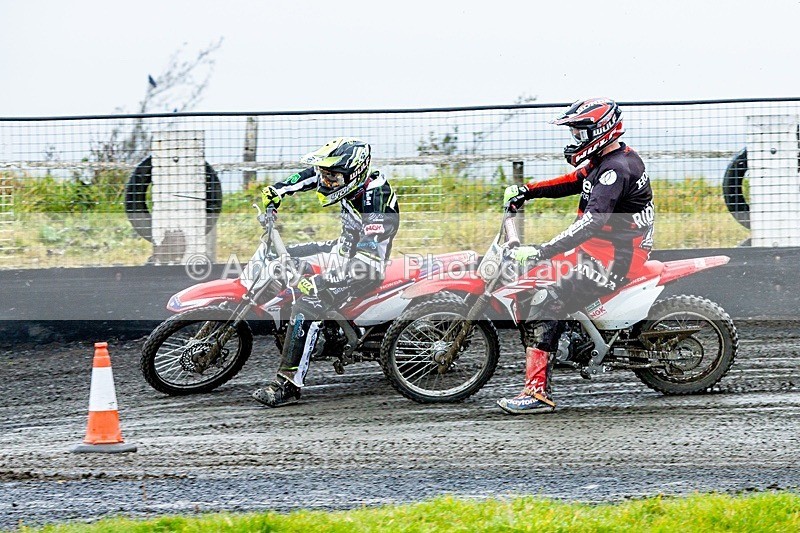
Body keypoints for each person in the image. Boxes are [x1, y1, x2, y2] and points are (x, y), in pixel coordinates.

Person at [496, 98, 655, 414]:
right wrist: (527, 190)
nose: (575, 141)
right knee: (537, 279)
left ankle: (538, 393)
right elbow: (572, 182)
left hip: (615, 259)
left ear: (601, 130)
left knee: (547, 297)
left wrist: (542, 250)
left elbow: (591, 223)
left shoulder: (616, 170)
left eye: (580, 133)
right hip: (602, 249)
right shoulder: (606, 161)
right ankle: (569, 336)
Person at [252, 138, 399, 407]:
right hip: (341, 251)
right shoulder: (347, 183)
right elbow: (311, 176)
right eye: (326, 175)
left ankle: (288, 384)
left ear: (353, 174)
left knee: (307, 304)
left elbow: (364, 264)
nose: (325, 183)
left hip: (364, 268)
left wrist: (319, 281)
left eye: (333, 177)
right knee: (282, 256)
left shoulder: (375, 201)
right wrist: (279, 190)